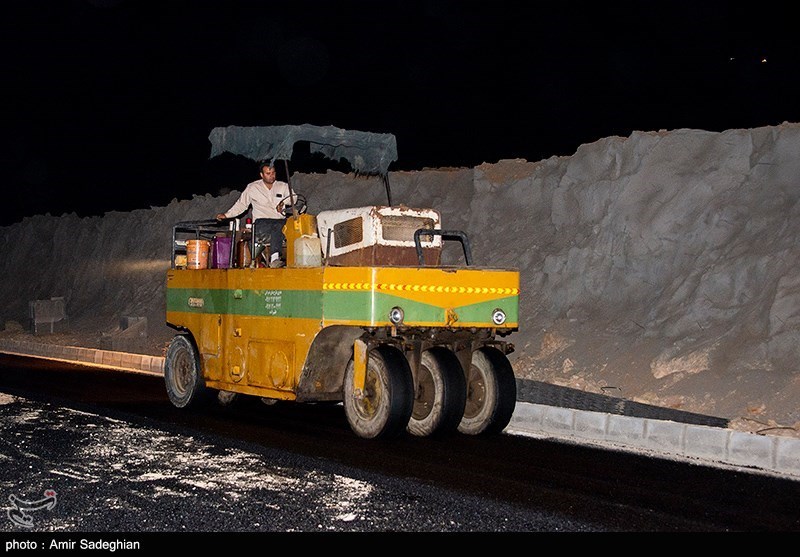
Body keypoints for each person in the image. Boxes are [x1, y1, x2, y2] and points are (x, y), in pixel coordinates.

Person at [216, 161, 293, 268]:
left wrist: (284, 202)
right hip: (261, 224)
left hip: (280, 222)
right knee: (277, 226)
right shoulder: (252, 188)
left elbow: (294, 198)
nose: (272, 176)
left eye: (273, 173)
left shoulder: (283, 186)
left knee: (289, 224)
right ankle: (274, 258)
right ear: (261, 175)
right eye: (268, 173)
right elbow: (241, 204)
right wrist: (227, 215)